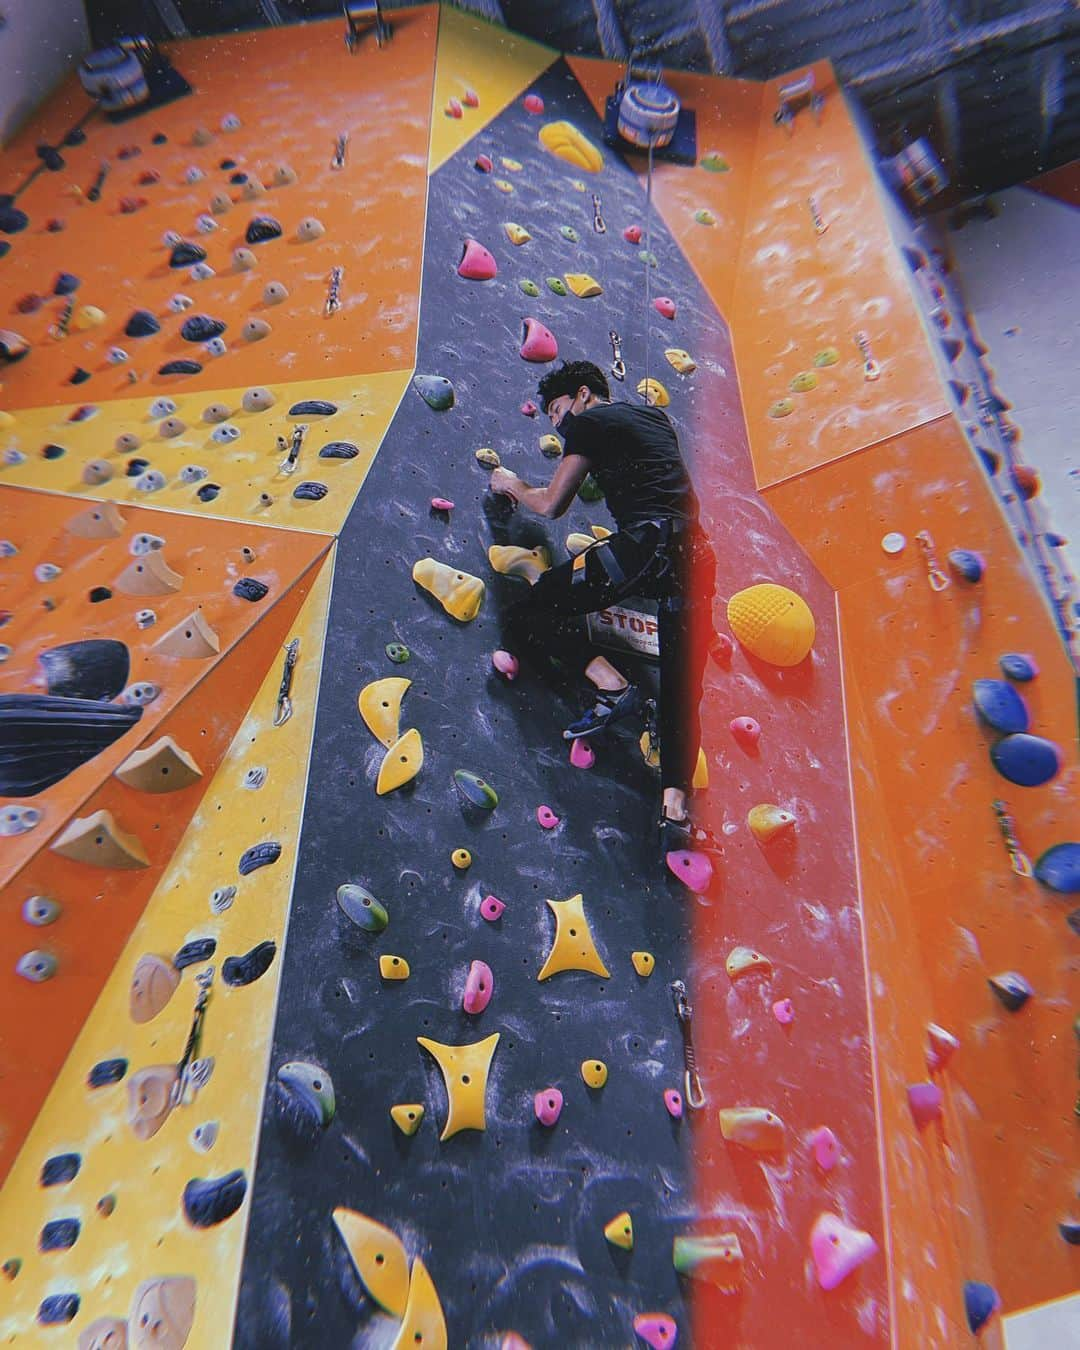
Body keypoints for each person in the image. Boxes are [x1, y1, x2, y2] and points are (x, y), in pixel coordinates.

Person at [488, 359, 717, 857]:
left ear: (585, 394)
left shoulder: (589, 422)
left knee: (529, 612)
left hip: (646, 545)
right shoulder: (656, 420)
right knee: (682, 684)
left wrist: (510, 485)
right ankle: (674, 813)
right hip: (697, 558)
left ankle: (612, 686)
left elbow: (551, 505)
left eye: (557, 408)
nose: (557, 421)